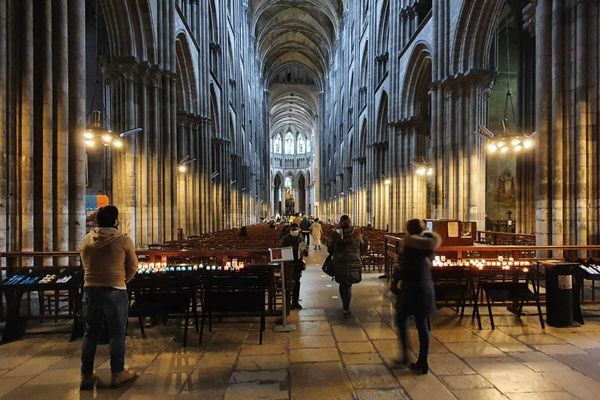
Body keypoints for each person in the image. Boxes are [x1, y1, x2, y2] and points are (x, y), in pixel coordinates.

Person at [79, 205, 139, 390]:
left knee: (90, 334)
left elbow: (84, 262)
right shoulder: (123, 240)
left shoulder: (87, 239)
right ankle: (117, 373)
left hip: (90, 290)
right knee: (117, 333)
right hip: (115, 290)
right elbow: (133, 266)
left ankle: (86, 375)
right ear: (115, 221)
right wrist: (123, 280)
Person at [390, 219, 441, 374]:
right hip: (425, 290)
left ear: (409, 230)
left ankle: (405, 354)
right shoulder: (428, 245)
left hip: (411, 291)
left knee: (400, 320)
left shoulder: (409, 246)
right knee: (422, 325)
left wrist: (395, 279)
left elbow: (404, 269)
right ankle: (423, 361)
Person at [327, 215, 364, 316]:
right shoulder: (357, 233)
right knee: (348, 284)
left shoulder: (335, 233)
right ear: (350, 222)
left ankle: (345, 305)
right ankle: (346, 307)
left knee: (342, 283)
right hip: (354, 261)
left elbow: (329, 248)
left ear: (340, 222)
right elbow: (362, 246)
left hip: (340, 261)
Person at [280, 223, 308, 310]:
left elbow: (305, 249)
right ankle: (287, 303)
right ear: (290, 230)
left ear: (298, 229)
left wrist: (304, 251)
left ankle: (295, 302)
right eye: (292, 230)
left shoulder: (301, 238)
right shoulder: (285, 239)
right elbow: (281, 249)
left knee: (297, 283)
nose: (294, 231)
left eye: (295, 229)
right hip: (288, 263)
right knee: (288, 283)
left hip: (298, 263)